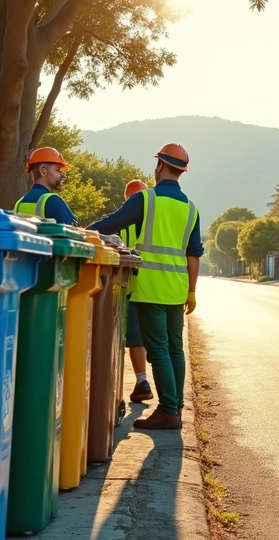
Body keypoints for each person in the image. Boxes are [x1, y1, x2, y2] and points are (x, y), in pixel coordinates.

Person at [88, 143, 201, 430]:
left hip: (150, 286)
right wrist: (192, 291)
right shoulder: (191, 208)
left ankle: (167, 411)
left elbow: (111, 224)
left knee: (159, 350)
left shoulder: (146, 199)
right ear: (182, 171)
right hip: (178, 288)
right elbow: (193, 253)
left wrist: (84, 231)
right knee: (175, 348)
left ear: (160, 165)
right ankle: (175, 404)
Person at [119, 179, 153, 404]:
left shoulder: (122, 223)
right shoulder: (156, 222)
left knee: (135, 339)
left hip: (131, 289)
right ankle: (171, 398)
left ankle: (142, 381)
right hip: (160, 288)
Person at [14, 147, 77, 225]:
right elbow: (74, 233)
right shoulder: (53, 201)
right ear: (43, 171)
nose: (62, 175)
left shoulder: (19, 203)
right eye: (57, 170)